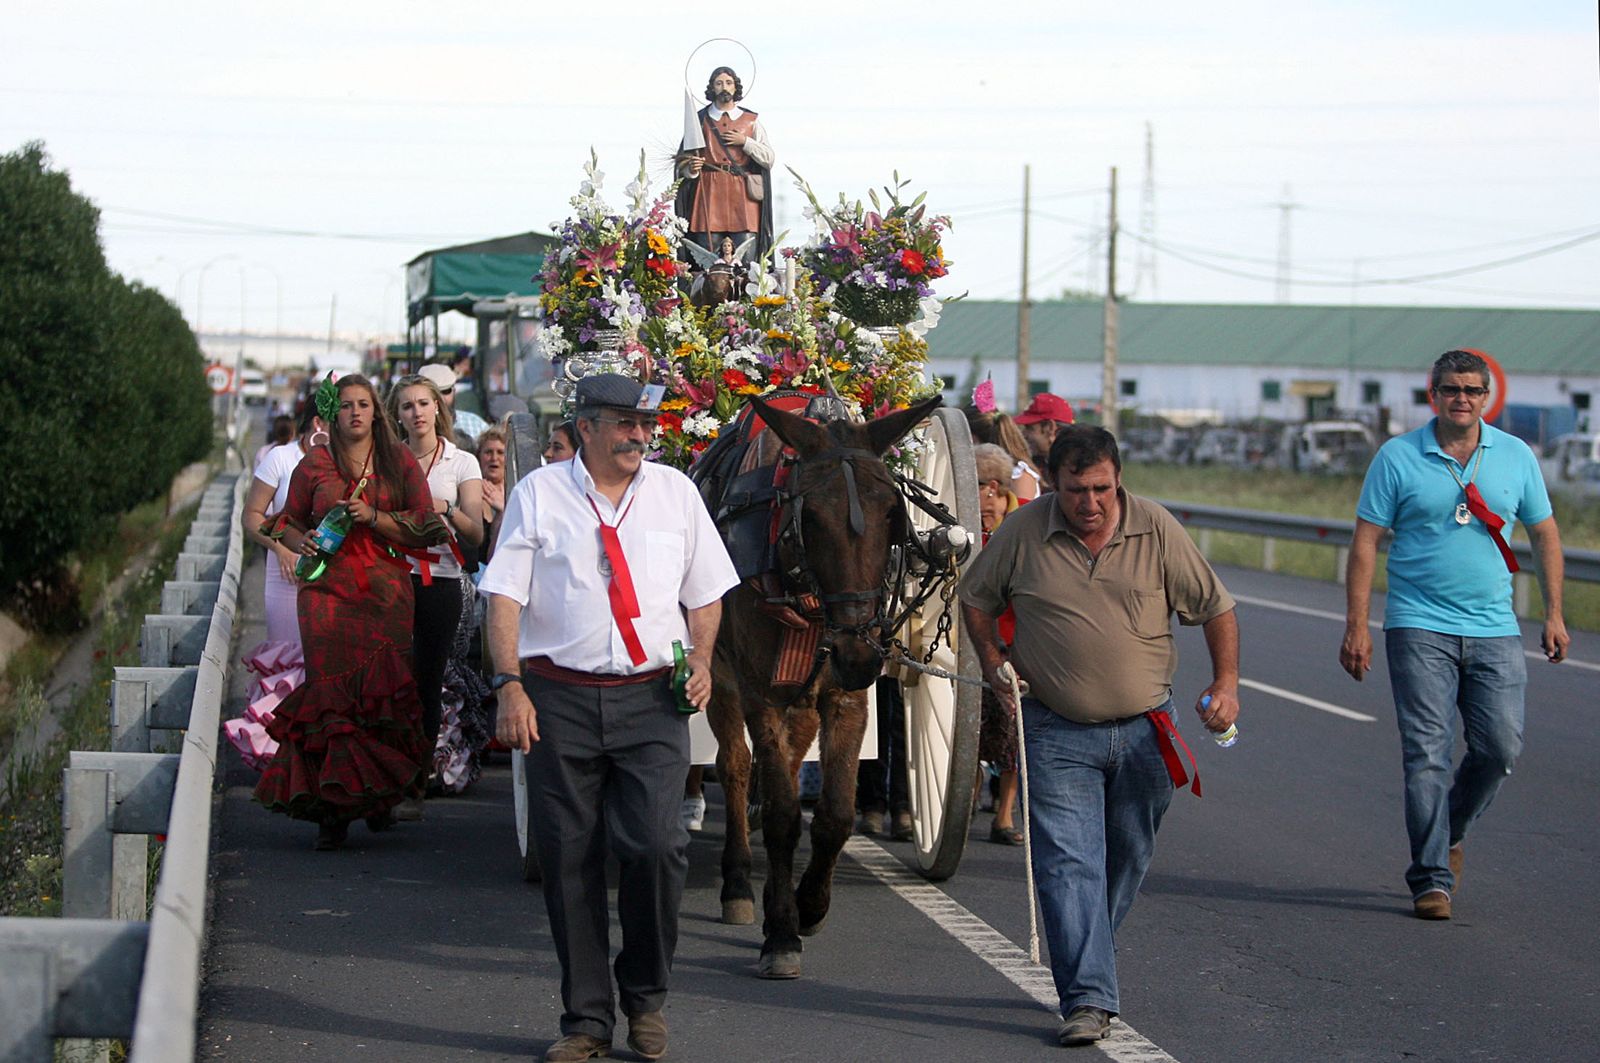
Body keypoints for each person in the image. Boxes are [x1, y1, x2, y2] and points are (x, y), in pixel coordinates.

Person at [482, 374, 737, 1063]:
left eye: (644, 423)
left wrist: (703, 657)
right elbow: (503, 597)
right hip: (557, 698)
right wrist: (510, 684)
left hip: (653, 697)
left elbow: (706, 592)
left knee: (659, 844)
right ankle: (586, 1019)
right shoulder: (539, 494)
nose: (639, 435)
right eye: (623, 422)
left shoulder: (675, 494)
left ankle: (646, 996)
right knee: (569, 858)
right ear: (587, 427)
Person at [959, 425, 1240, 1047]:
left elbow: (1215, 607)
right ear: (1053, 483)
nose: (1090, 502)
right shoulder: (1022, 531)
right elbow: (975, 597)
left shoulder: (1157, 527)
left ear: (1119, 481)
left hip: (1146, 732)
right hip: (1056, 729)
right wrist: (990, 656)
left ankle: (1087, 956)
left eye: (1102, 489)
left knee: (1127, 855)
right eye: (1075, 490)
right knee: (1067, 864)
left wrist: (1226, 684)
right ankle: (1088, 998)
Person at [1340, 348, 1568, 922]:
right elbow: (1366, 540)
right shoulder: (1398, 457)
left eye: (1471, 390)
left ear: (1486, 397)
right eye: (1449, 389)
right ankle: (1431, 878)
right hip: (1418, 625)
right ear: (1432, 394)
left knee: (1500, 749)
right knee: (1427, 755)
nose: (1460, 398)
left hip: (1494, 627)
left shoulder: (1515, 456)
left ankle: (1452, 830)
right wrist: (1357, 625)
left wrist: (1555, 614)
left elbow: (1544, 534)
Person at [254, 374, 448, 850]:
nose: (356, 413)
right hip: (326, 597)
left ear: (376, 413)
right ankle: (332, 813)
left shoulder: (397, 461)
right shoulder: (313, 464)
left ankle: (379, 798)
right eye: (346, 405)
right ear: (332, 413)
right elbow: (283, 522)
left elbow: (427, 525)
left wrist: (375, 518)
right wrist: (307, 545)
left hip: (384, 596)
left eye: (364, 404)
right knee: (332, 699)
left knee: (382, 696)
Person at [387, 374, 486, 810]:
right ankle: (386, 775)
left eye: (424, 403)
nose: (417, 413)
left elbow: (476, 533)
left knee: (427, 682)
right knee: (390, 681)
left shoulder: (462, 462)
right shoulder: (387, 460)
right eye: (407, 406)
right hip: (391, 578)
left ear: (437, 409)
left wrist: (442, 508)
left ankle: (416, 781)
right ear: (398, 415)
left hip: (441, 580)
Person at [227, 404, 328, 769]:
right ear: (319, 422)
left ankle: (319, 751)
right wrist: (280, 548)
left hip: (332, 579)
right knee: (291, 659)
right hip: (285, 577)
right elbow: (252, 517)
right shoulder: (280, 459)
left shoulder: (342, 462)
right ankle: (280, 751)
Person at [972, 442, 1025, 845]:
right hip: (970, 640)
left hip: (1015, 639)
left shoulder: (1025, 521)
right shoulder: (964, 521)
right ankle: (963, 800)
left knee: (1013, 734)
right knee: (971, 730)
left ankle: (1004, 816)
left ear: (992, 487)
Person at [675, 66, 775, 263]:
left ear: (735, 87)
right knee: (708, 261)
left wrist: (744, 142)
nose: (724, 88)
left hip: (743, 196)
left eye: (728, 83)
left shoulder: (751, 121)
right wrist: (692, 169)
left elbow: (768, 158)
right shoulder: (700, 120)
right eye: (719, 83)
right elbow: (683, 163)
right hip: (709, 194)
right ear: (712, 88)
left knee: (747, 260)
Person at [419, 362, 489, 444]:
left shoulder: (477, 425)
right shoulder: (412, 427)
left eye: (445, 391)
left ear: (454, 391)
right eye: (433, 393)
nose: (440, 398)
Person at [1014, 392, 1076, 473]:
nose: (1024, 434)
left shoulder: (1077, 468)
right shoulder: (1040, 464)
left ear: (1050, 428)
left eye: (1030, 428)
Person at [476, 422, 509, 567]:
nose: (494, 458)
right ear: (479, 457)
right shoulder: (470, 491)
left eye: (500, 452)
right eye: (488, 452)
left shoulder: (519, 489)